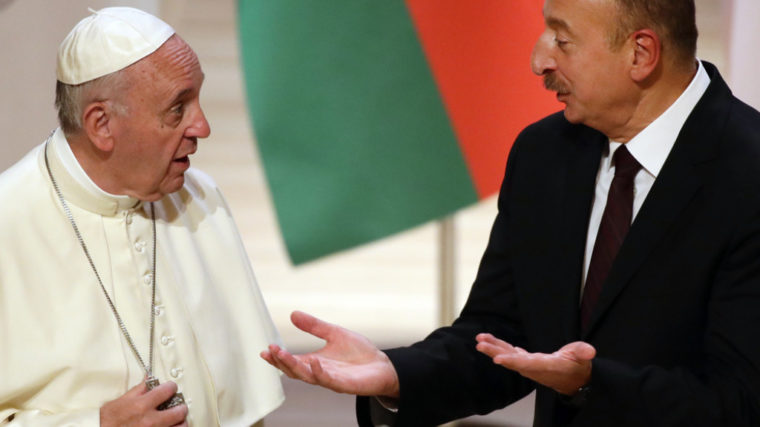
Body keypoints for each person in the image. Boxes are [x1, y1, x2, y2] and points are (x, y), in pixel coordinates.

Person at [261, 0, 760, 425]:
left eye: (562, 40)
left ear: (641, 53)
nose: (539, 60)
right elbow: (500, 337)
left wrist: (590, 384)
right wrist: (395, 375)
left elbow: (741, 398)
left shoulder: (748, 171)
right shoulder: (545, 154)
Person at [0, 7, 283, 426]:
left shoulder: (201, 197)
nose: (202, 127)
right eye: (177, 108)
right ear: (102, 124)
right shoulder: (7, 221)